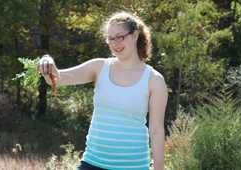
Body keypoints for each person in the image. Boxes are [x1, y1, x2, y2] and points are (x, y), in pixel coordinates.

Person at [36, 11, 168, 170]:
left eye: (120, 37)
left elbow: (156, 131)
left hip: (134, 166)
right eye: (110, 39)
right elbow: (56, 79)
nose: (115, 43)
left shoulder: (154, 79)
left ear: (134, 35)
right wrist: (47, 60)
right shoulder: (99, 67)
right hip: (92, 163)